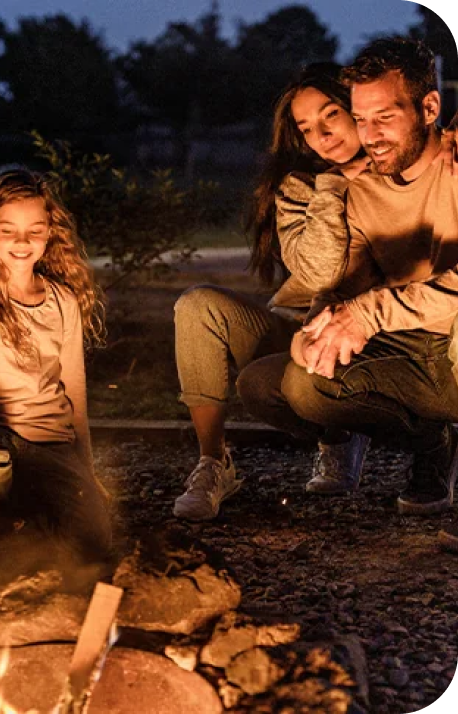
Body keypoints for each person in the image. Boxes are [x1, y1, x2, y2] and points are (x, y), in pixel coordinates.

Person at [237, 37, 458, 538]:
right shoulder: (359, 186)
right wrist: (318, 326)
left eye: (385, 117)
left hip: (452, 341)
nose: (370, 135)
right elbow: (344, 283)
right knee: (283, 383)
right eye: (361, 119)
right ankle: (433, 442)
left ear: (429, 107)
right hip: (409, 346)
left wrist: (369, 313)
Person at [173, 63, 371, 522]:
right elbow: (318, 271)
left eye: (331, 116)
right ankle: (213, 462)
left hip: (370, 333)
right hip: (300, 328)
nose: (322, 135)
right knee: (197, 306)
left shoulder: (397, 174)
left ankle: (347, 431)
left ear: (356, 108)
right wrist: (334, 187)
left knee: (290, 374)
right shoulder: (302, 186)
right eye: (307, 128)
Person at [0, 169, 112, 567]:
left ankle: (34, 509)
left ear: (49, 232)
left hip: (51, 443)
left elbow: (74, 391)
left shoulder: (64, 302)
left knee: (94, 542)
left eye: (34, 230)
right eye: (8, 230)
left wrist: (86, 471)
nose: (21, 242)